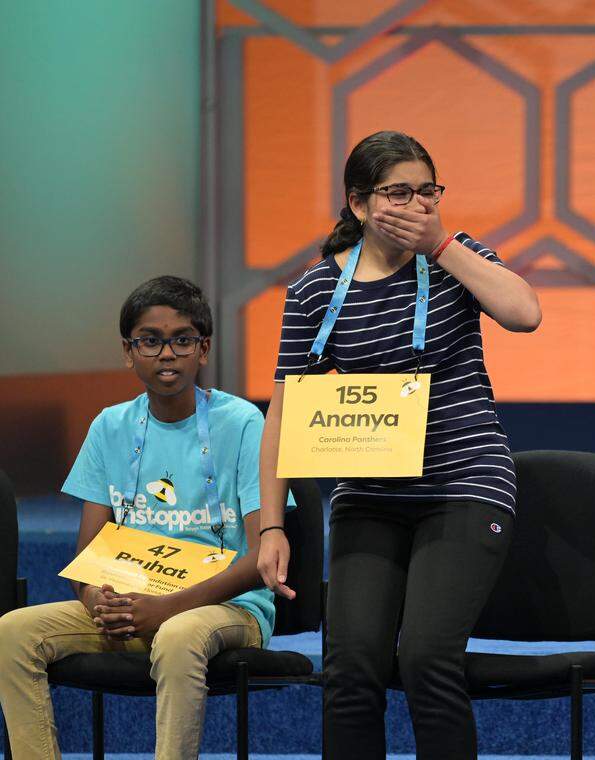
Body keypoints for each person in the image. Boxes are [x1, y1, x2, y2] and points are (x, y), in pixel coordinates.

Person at [256, 130, 541, 758]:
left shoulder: (455, 256)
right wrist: (272, 526)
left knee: (425, 658)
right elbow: (285, 410)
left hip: (465, 483)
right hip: (369, 493)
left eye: (426, 192)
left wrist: (441, 245)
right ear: (359, 205)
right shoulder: (313, 291)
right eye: (397, 193)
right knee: (351, 666)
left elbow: (525, 313)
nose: (416, 204)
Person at [0, 276, 276, 760]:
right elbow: (86, 559)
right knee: (12, 632)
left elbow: (261, 558)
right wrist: (96, 601)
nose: (166, 354)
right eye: (150, 341)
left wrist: (167, 608)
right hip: (132, 606)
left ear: (203, 349)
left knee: (176, 633)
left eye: (181, 340)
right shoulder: (109, 425)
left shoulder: (244, 423)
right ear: (129, 352)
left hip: (227, 609)